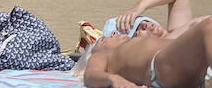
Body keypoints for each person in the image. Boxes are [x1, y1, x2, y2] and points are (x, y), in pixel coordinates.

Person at [81, 17, 212, 88]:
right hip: (161, 67)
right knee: (208, 26)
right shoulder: (103, 55)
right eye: (103, 40)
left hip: (189, 70)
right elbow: (90, 75)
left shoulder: (139, 42)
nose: (115, 34)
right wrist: (113, 79)